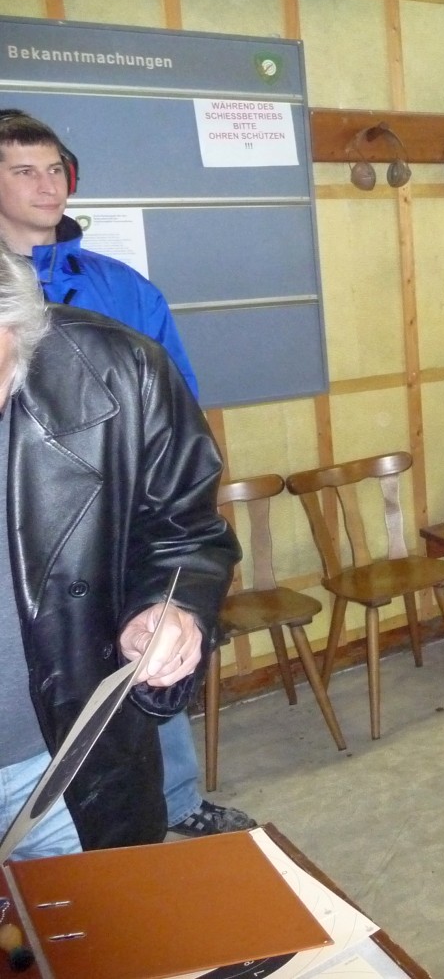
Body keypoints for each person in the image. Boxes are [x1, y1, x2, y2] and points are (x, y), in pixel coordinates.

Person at [0, 108, 254, 839]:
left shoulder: (120, 287)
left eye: (56, 170)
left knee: (146, 689)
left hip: (110, 545)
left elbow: (177, 432)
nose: (48, 185)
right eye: (25, 171)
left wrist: (173, 597)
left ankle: (179, 801)